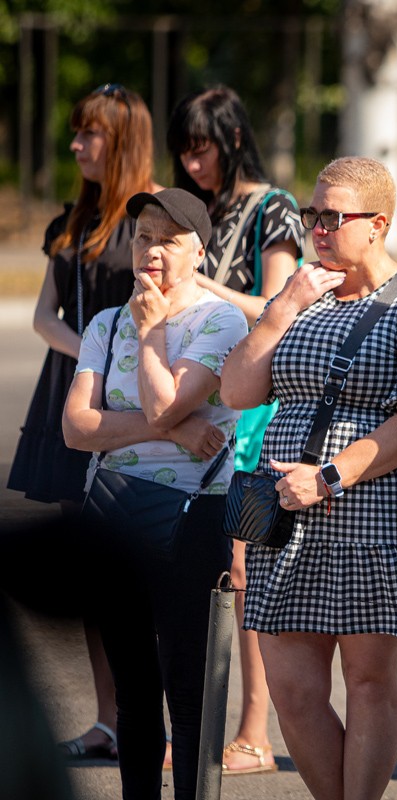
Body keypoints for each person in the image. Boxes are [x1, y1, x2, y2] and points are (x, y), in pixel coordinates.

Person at [222, 156, 397, 800]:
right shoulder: (304, 296)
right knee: (293, 690)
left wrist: (330, 477)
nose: (319, 228)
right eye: (313, 215)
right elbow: (238, 388)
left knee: (368, 680)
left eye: (334, 217)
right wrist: (283, 308)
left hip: (376, 512)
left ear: (378, 223)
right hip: (283, 513)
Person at [62, 188, 247, 800]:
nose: (152, 250)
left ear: (199, 249)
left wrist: (151, 335)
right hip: (114, 515)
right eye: (142, 235)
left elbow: (163, 397)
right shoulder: (104, 322)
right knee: (135, 692)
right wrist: (178, 428)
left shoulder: (220, 320)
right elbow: (76, 428)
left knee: (188, 689)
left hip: (195, 517)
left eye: (168, 239)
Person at [9, 83, 155, 764]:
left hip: (129, 403)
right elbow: (43, 318)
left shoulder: (155, 219)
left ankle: (153, 725)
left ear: (120, 138)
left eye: (88, 134)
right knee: (96, 578)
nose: (76, 145)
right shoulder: (73, 221)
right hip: (69, 396)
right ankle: (108, 721)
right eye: (75, 134)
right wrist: (89, 349)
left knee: (140, 572)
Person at [166, 83, 303, 776]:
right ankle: (202, 724)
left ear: (233, 139)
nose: (194, 165)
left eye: (203, 150)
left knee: (245, 568)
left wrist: (197, 285)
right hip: (198, 403)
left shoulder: (271, 208)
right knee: (198, 567)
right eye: (184, 153)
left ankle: (254, 732)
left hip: (255, 409)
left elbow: (274, 307)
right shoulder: (200, 209)